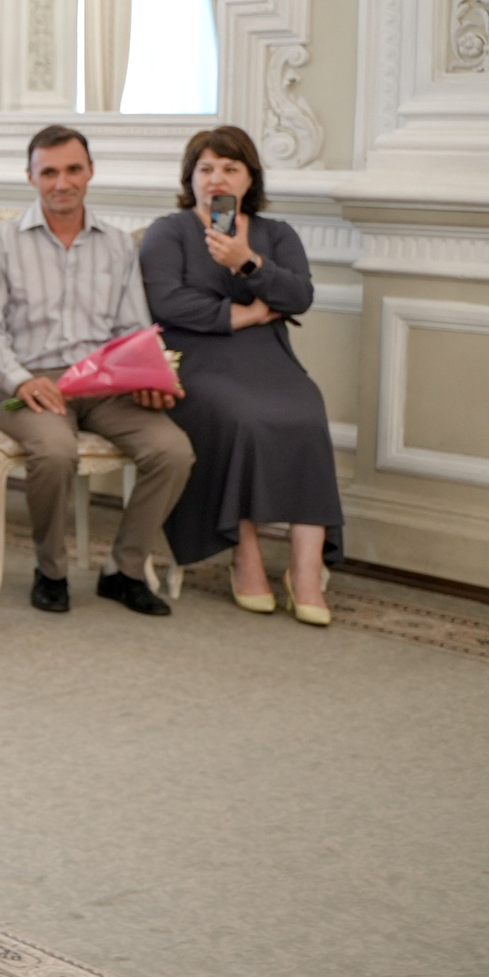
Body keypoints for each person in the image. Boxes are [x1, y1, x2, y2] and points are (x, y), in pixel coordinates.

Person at [0, 125, 191, 617]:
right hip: (30, 384)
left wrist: (148, 380)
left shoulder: (117, 246)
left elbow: (133, 331)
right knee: (54, 450)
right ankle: (51, 570)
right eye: (49, 172)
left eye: (72, 170)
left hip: (106, 386)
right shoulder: (0, 243)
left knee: (173, 451)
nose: (62, 182)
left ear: (90, 172)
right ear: (31, 177)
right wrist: (21, 380)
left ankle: (123, 570)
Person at [139, 125, 342, 625]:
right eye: (205, 168)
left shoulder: (277, 235)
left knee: (308, 413)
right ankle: (245, 556)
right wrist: (248, 313)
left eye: (230, 168)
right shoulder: (169, 232)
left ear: (250, 178)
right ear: (190, 178)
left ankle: (305, 569)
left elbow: (299, 296)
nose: (217, 178)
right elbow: (167, 303)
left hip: (269, 359)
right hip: (196, 361)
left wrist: (247, 262)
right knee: (239, 418)